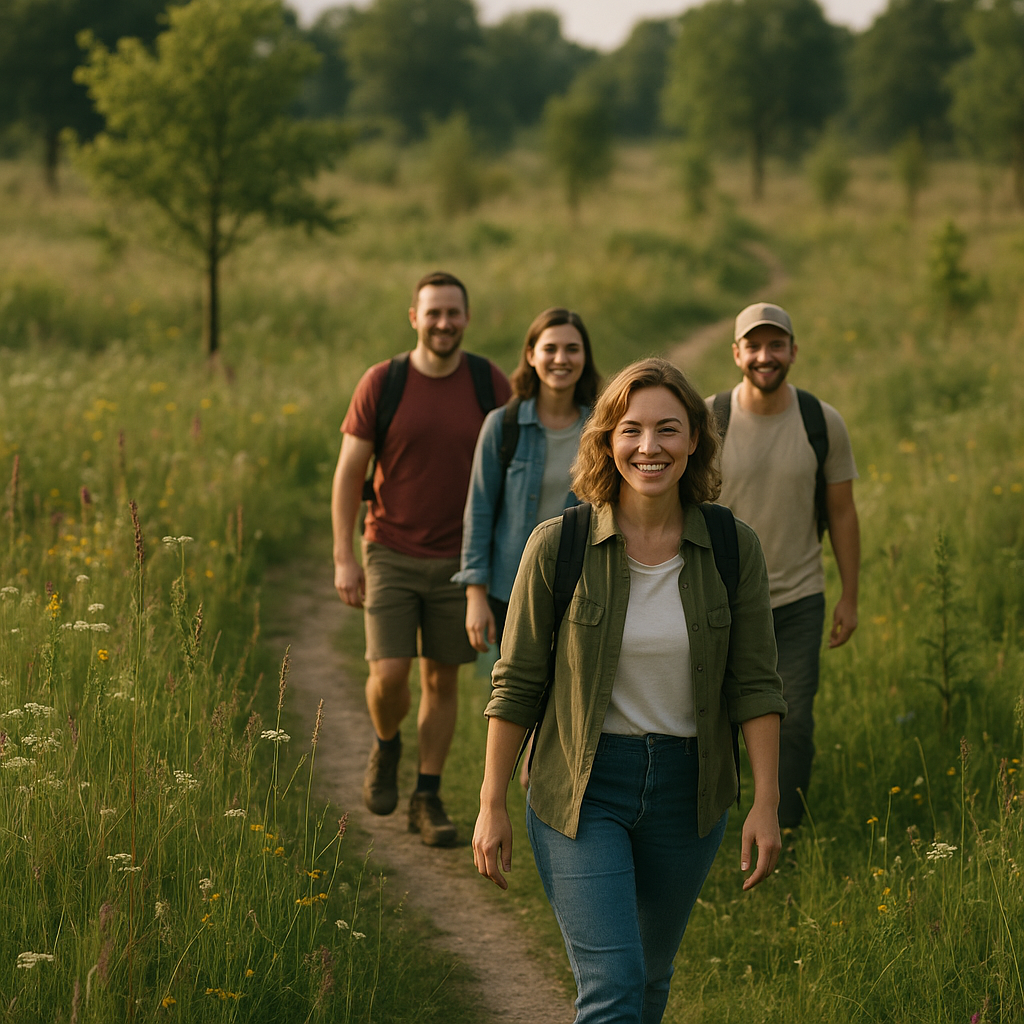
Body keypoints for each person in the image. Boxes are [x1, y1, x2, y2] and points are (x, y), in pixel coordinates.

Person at [473, 358, 786, 1023]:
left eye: (668, 430)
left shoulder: (734, 549)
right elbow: (517, 682)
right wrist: (491, 801)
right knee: (614, 985)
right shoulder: (559, 547)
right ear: (607, 439)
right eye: (632, 430)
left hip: (690, 790)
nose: (650, 447)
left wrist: (766, 800)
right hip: (583, 788)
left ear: (695, 439)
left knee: (648, 981)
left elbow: (756, 682)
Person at [332, 271, 511, 847]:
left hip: (463, 561)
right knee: (388, 676)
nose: (443, 323)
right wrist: (344, 557)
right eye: (432, 313)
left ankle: (427, 798)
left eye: (453, 313)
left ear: (467, 317)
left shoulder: (489, 384)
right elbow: (348, 474)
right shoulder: (383, 382)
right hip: (389, 549)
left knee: (442, 679)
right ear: (413, 316)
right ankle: (387, 746)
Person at [708, 301, 860, 829]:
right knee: (713, 721)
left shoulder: (822, 422)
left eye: (776, 345)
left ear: (793, 351)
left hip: (799, 599)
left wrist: (849, 596)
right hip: (716, 601)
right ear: (737, 354)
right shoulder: (710, 420)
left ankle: (783, 832)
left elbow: (841, 512)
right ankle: (712, 831)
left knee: (790, 722)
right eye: (754, 345)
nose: (765, 356)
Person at [454, 307, 601, 652]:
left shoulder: (601, 430)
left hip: (581, 591)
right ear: (531, 355)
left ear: (585, 358)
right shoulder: (502, 426)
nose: (561, 359)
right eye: (550, 348)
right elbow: (479, 510)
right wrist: (475, 595)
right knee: (510, 697)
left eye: (572, 349)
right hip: (509, 591)